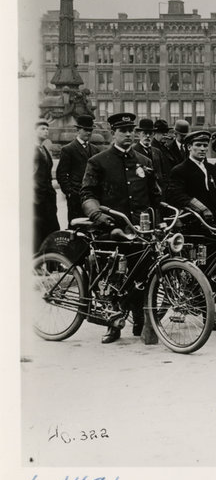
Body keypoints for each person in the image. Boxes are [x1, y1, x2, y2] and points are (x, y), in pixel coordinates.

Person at [79, 111, 161, 343]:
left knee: (143, 275)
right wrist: (98, 215)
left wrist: (161, 220)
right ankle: (112, 325)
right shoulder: (98, 161)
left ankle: (140, 321)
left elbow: (155, 196)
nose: (128, 135)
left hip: (141, 230)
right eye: (123, 131)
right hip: (112, 230)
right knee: (113, 278)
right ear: (112, 133)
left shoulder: (144, 162)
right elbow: (86, 194)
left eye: (131, 131)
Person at [56, 114, 97, 223]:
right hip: (75, 196)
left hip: (91, 195)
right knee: (76, 224)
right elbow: (61, 173)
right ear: (78, 130)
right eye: (85, 130)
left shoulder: (95, 149)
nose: (88, 133)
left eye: (90, 130)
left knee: (92, 224)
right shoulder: (68, 149)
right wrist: (69, 192)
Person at [34, 120, 60, 252]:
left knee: (52, 228)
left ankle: (51, 261)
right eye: (42, 128)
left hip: (48, 197)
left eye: (47, 129)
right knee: (38, 231)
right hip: (38, 198)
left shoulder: (43, 149)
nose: (46, 131)